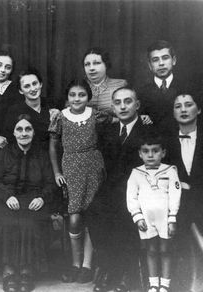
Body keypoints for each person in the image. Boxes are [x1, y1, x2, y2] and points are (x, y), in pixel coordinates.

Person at [48, 79, 112, 284]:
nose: (77, 99)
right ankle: (75, 264)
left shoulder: (96, 115)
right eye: (73, 95)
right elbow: (53, 147)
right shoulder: (60, 117)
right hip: (71, 166)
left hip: (94, 166)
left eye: (82, 95)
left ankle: (87, 265)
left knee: (91, 215)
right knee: (75, 218)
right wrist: (57, 172)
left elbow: (119, 119)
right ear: (67, 97)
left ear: (88, 97)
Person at [88, 86, 150, 292]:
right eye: (118, 102)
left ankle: (125, 274)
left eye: (128, 101)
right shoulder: (107, 131)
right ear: (113, 107)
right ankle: (108, 268)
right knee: (94, 210)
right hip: (113, 189)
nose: (123, 106)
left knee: (125, 216)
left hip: (142, 191)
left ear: (137, 105)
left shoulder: (149, 130)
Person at [0, 114, 57, 292]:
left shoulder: (41, 154)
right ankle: (9, 271)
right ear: (14, 132)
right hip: (7, 200)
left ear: (33, 132)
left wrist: (42, 198)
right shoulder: (5, 152)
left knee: (30, 222)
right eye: (19, 129)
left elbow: (50, 183)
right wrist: (6, 196)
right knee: (7, 221)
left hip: (34, 200)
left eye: (28, 129)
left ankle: (27, 270)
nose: (24, 133)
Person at [166, 93, 203, 292]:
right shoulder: (165, 141)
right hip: (178, 203)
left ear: (198, 109)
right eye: (178, 106)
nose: (183, 110)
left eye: (188, 104)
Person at [127, 132, 181, 292]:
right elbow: (131, 197)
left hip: (164, 218)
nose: (150, 155)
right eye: (146, 151)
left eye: (155, 150)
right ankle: (153, 284)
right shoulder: (136, 173)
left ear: (163, 152)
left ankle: (164, 285)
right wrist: (137, 216)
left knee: (165, 250)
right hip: (146, 219)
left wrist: (172, 218)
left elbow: (175, 194)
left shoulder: (170, 171)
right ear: (140, 153)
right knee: (150, 250)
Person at [137, 40, 186, 132]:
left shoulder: (187, 88)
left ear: (174, 60)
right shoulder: (141, 92)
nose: (161, 63)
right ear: (150, 65)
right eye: (155, 60)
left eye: (165, 58)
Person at [3, 68, 55, 151]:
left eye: (35, 83)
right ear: (20, 90)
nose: (32, 89)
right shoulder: (14, 111)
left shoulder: (53, 104)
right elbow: (11, 141)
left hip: (52, 155)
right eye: (27, 86)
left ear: (40, 84)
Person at [83, 47, 127, 116]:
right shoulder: (78, 87)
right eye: (87, 64)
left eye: (96, 63)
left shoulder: (120, 85)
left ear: (106, 65)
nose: (91, 68)